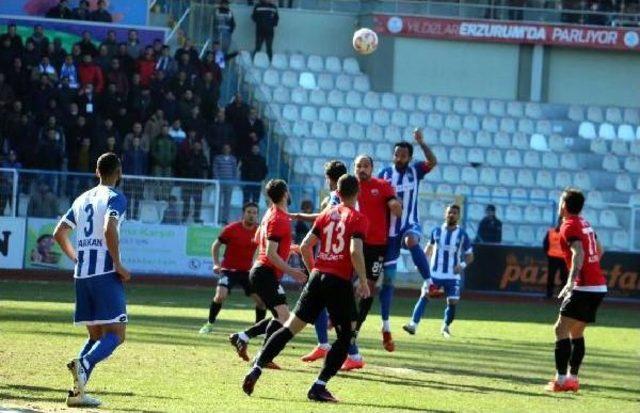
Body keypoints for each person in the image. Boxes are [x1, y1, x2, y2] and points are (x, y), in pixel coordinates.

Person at [241, 174, 370, 402]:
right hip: (338, 281)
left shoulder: (325, 215)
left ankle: (257, 367)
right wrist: (363, 280)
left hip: (318, 276)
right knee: (346, 335)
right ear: (357, 192)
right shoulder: (358, 218)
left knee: (289, 328)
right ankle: (319, 386)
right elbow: (354, 251)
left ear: (336, 193)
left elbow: (305, 246)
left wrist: (314, 273)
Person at [52, 152, 131, 407]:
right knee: (116, 335)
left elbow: (59, 233)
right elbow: (109, 227)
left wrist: (76, 258)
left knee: (97, 336)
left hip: (82, 275)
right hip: (105, 274)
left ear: (97, 171)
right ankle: (84, 363)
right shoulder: (116, 197)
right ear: (118, 173)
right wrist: (118, 263)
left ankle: (77, 394)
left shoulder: (81, 198)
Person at [228, 179, 307, 367]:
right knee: (284, 318)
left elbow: (259, 239)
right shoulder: (279, 218)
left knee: (281, 316)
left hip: (263, 272)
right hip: (265, 272)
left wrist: (289, 247)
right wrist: (292, 271)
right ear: (285, 194)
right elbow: (271, 253)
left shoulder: (269, 214)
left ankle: (244, 338)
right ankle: (262, 356)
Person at [377, 128, 437, 350]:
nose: (400, 158)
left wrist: (422, 143)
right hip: (388, 233)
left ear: (410, 157)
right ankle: (385, 327)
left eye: (403, 155)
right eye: (397, 154)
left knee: (412, 241)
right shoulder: (383, 174)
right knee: (388, 281)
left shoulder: (416, 171)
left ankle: (430, 283)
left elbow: (433, 161)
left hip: (410, 223)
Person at [342, 155, 401, 371]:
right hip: (352, 241)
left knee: (367, 288)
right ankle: (342, 322)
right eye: (358, 166)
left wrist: (395, 204)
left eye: (365, 166)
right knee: (343, 283)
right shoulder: (349, 186)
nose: (362, 169)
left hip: (376, 246)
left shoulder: (382, 186)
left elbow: (393, 203)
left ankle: (353, 331)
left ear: (372, 168)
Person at [545, 188, 606, 393]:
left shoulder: (568, 225)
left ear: (563, 204)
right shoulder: (585, 223)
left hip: (583, 285)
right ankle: (573, 378)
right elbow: (599, 249)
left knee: (560, 329)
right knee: (576, 332)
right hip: (598, 286)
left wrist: (571, 281)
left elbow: (578, 252)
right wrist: (592, 267)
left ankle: (561, 381)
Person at [290, 160, 347, 362]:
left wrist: (300, 217)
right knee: (324, 303)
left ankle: (350, 353)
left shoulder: (337, 197)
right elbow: (323, 217)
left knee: (335, 306)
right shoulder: (341, 196)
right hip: (331, 256)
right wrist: (300, 216)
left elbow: (325, 219)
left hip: (332, 258)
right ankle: (325, 345)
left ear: (330, 179)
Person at [402, 204, 474, 337]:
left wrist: (461, 265)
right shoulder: (436, 231)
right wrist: (421, 262)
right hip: (434, 274)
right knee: (424, 296)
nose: (451, 215)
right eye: (449, 212)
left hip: (452, 276)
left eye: (454, 213)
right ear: (445, 214)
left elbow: (470, 256)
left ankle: (445, 326)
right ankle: (413, 325)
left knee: (452, 301)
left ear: (458, 216)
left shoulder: (462, 235)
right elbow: (429, 248)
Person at [199, 202, 266, 333]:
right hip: (229, 270)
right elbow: (216, 246)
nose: (252, 215)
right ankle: (209, 324)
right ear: (243, 213)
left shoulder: (260, 231)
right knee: (220, 295)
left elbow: (266, 249)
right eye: (249, 212)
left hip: (248, 272)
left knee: (261, 302)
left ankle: (257, 330)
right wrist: (216, 263)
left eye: (254, 213)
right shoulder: (231, 228)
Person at [213, 144, 238, 224]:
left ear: (230, 150)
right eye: (225, 148)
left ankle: (225, 219)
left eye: (228, 148)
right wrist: (217, 180)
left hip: (229, 183)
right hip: (220, 183)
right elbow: (215, 170)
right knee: (218, 201)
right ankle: (217, 218)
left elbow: (235, 171)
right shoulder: (218, 158)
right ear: (222, 149)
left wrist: (234, 181)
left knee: (227, 202)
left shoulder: (233, 159)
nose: (226, 150)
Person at [544, 218, 569, 299]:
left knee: (564, 277)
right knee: (551, 276)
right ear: (558, 222)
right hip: (553, 257)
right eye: (561, 222)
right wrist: (548, 254)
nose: (562, 223)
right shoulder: (550, 232)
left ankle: (563, 295)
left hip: (564, 258)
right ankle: (549, 295)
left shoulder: (568, 233)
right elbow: (545, 244)